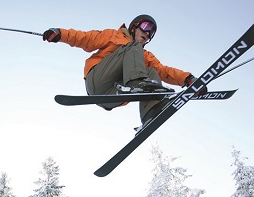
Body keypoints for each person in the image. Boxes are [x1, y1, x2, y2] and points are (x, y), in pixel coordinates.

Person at [43, 15, 203, 127]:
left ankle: (150, 112)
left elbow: (163, 71)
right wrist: (60, 34)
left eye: (151, 33)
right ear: (134, 27)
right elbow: (85, 38)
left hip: (114, 95)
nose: (147, 33)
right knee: (133, 47)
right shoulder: (115, 36)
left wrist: (187, 79)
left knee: (153, 72)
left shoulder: (143, 55)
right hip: (98, 81)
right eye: (146, 27)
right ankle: (136, 83)